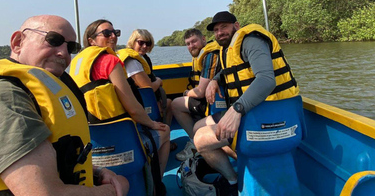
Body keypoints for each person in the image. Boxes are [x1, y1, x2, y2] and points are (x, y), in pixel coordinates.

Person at [0, 15, 129, 196]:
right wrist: (114, 189)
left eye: (70, 47)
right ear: (18, 42)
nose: (63, 53)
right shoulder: (1, 98)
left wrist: (98, 172)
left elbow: (45, 160)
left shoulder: (34, 90)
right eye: (54, 40)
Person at [194, 11, 300, 196]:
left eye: (224, 27)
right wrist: (215, 80)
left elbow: (267, 80)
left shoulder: (251, 41)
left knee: (201, 140)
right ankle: (241, 161)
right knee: (198, 126)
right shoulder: (228, 49)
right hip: (256, 113)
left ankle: (232, 181)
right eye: (216, 30)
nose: (220, 33)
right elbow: (231, 71)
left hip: (271, 116)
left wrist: (237, 109)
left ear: (236, 26)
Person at [69, 19, 170, 194]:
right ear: (91, 40)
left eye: (115, 32)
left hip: (93, 147)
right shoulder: (109, 61)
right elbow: (132, 107)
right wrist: (152, 124)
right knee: (166, 131)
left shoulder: (76, 64)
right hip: (123, 146)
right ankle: (155, 185)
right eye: (107, 33)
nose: (113, 36)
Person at [171, 29, 221, 161]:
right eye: (188, 43)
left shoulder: (210, 55)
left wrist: (187, 93)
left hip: (214, 102)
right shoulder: (203, 55)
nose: (191, 46)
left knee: (175, 104)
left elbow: (200, 93)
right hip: (211, 99)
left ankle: (194, 143)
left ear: (203, 39)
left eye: (194, 41)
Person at [119, 29, 172, 126]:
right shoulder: (132, 62)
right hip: (141, 105)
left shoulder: (140, 58)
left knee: (168, 102)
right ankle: (163, 134)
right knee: (170, 104)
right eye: (141, 42)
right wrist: (159, 81)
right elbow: (149, 89)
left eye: (148, 43)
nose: (144, 46)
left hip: (142, 101)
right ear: (133, 42)